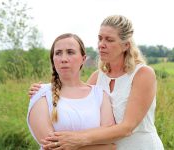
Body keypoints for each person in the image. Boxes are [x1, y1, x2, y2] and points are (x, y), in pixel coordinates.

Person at [29, 15, 164, 150]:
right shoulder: (97, 77)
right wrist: (44, 91)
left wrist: (77, 140)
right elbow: (74, 97)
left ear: (125, 45)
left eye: (109, 40)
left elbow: (127, 128)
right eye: (100, 38)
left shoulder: (142, 74)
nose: (101, 45)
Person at [26, 33, 116, 150]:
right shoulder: (41, 93)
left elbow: (110, 137)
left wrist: (73, 143)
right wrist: (102, 147)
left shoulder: (99, 94)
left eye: (70, 52)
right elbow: (51, 146)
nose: (63, 59)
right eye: (58, 53)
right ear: (53, 60)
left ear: (83, 59)